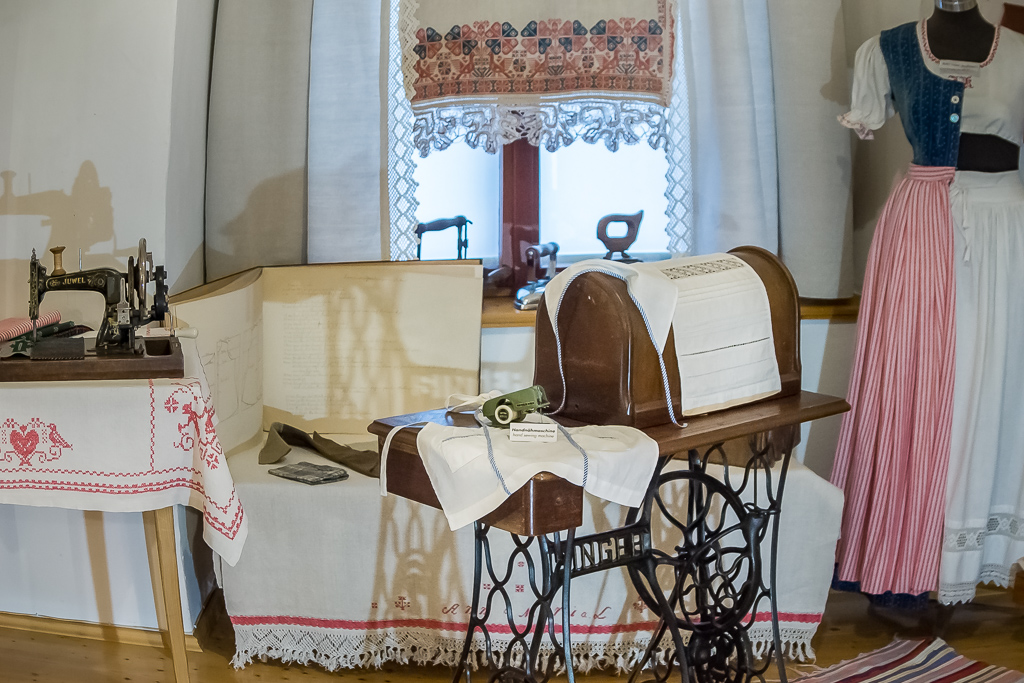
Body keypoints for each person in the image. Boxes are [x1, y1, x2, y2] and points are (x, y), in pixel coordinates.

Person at [832, 0, 1024, 605]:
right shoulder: (889, 49)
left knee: (988, 380)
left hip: (1003, 230)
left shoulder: (1021, 54)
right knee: (914, 379)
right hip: (920, 224)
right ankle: (903, 555)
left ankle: (971, 552)